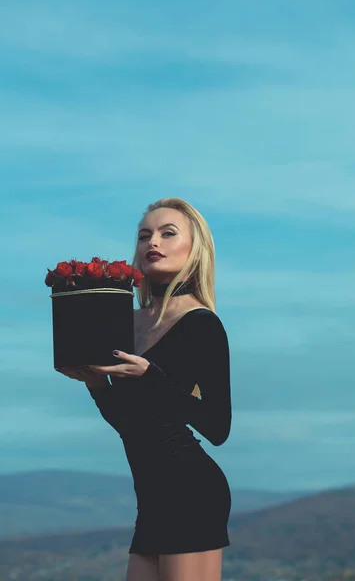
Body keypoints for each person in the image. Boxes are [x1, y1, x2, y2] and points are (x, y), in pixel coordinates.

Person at [57, 197, 232, 581]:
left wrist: (152, 376)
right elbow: (133, 424)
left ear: (195, 249)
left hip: (191, 492)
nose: (153, 242)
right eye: (144, 235)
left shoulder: (202, 324)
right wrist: (96, 385)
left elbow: (218, 429)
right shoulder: (126, 323)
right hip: (151, 499)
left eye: (169, 233)